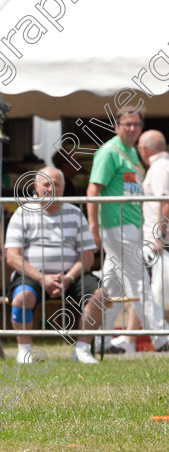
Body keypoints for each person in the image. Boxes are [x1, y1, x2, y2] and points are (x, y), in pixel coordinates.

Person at [86, 110, 169, 354]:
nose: (132, 128)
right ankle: (161, 337)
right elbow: (92, 190)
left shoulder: (132, 153)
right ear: (116, 126)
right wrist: (93, 227)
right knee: (139, 280)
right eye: (127, 124)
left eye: (136, 124)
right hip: (116, 224)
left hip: (131, 225)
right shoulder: (109, 152)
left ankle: (99, 340)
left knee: (113, 286)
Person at [5, 168, 105, 364]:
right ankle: (24, 351)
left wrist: (69, 277)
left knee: (100, 295)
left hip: (71, 275)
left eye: (56, 184)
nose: (51, 189)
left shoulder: (75, 213)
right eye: (46, 184)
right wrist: (41, 278)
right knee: (21, 297)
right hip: (32, 275)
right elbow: (12, 257)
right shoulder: (22, 213)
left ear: (64, 187)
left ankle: (82, 350)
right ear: (36, 187)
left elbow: (86, 256)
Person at [137, 130, 169, 312]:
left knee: (150, 290)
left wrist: (159, 235)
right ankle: (130, 337)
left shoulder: (159, 169)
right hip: (158, 241)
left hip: (158, 241)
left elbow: (165, 202)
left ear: (143, 149)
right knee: (143, 287)